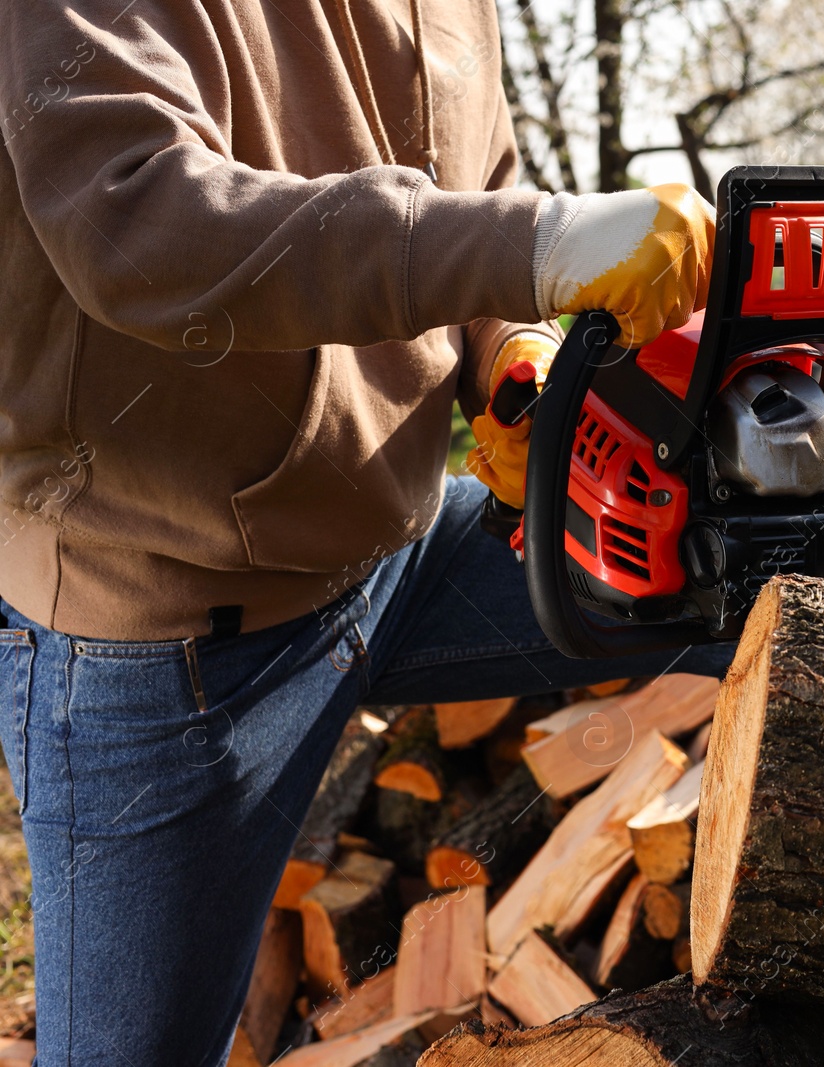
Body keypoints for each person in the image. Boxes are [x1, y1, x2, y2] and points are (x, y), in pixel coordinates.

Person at [0, 1, 727, 1062]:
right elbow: (140, 226)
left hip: (397, 542)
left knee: (753, 573)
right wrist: (540, 242)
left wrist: (511, 364)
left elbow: (477, 192)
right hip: (161, 629)